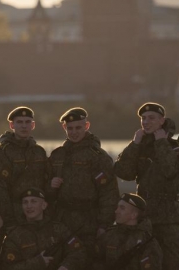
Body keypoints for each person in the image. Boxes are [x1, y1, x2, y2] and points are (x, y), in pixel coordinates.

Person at [113, 103, 179, 270]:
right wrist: (135, 143)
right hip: (143, 216)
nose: (146, 122)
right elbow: (123, 172)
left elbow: (169, 170)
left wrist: (161, 141)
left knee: (171, 264)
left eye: (151, 118)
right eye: (143, 118)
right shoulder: (141, 147)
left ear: (162, 121)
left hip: (167, 217)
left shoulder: (178, 147)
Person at [47, 107, 118, 257]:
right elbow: (45, 190)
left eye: (78, 127)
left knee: (87, 260)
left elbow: (109, 194)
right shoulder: (57, 155)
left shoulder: (98, 156)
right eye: (70, 128)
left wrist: (104, 225)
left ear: (86, 126)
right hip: (62, 220)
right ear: (64, 127)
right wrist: (51, 186)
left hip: (89, 222)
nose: (74, 132)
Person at [0, 106, 48, 265]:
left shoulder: (39, 152)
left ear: (33, 125)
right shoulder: (2, 153)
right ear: (12, 125)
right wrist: (9, 222)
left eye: (28, 122)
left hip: (37, 218)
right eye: (19, 122)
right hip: (12, 218)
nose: (24, 126)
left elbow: (45, 183)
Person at [1, 188, 86, 270]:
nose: (29, 206)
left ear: (44, 205)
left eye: (34, 201)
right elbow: (8, 267)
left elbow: (78, 251)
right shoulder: (15, 235)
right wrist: (38, 263)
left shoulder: (59, 229)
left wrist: (66, 267)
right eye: (25, 202)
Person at [93, 193, 162, 270]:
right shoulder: (108, 236)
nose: (116, 211)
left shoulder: (147, 241)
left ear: (134, 215)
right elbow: (96, 261)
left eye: (122, 208)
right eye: (117, 207)